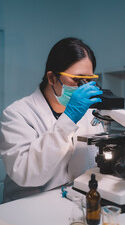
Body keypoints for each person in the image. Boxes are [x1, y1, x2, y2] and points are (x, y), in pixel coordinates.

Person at [0, 37, 104, 203]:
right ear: (52, 78)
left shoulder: (89, 114)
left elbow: (99, 159)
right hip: (30, 208)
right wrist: (68, 119)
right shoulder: (17, 114)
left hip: (77, 201)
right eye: (77, 80)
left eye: (88, 80)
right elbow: (25, 174)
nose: (83, 87)